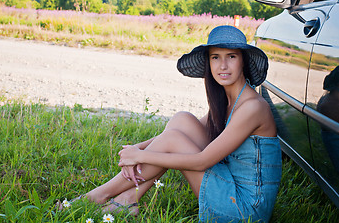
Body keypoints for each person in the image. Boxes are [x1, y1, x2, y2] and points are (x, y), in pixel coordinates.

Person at [67, 25, 282, 222]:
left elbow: (202, 161)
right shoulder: (228, 101)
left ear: (243, 60)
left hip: (245, 210)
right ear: (208, 62)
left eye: (231, 57)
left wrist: (140, 156)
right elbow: (183, 131)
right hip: (231, 183)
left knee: (173, 140)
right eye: (215, 57)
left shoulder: (253, 107)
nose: (222, 65)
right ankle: (128, 199)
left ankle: (98, 196)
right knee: (182, 120)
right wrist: (137, 148)